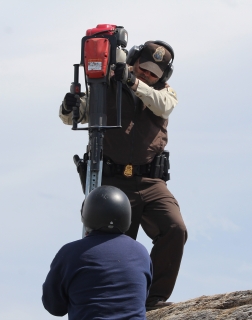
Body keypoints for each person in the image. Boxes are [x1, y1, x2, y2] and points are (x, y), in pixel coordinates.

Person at [59, 40, 187, 310]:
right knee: (112, 248)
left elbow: (162, 106)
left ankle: (153, 300)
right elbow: (75, 116)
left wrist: (132, 82)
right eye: (143, 68)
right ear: (134, 61)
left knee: (175, 229)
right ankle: (113, 306)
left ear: (163, 76)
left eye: (154, 73)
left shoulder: (165, 92)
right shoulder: (106, 85)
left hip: (151, 181)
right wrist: (69, 106)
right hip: (113, 182)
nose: (147, 75)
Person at [42, 185, 152, 319]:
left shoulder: (71, 253)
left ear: (88, 215)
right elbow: (140, 298)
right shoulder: (141, 252)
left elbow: (54, 307)